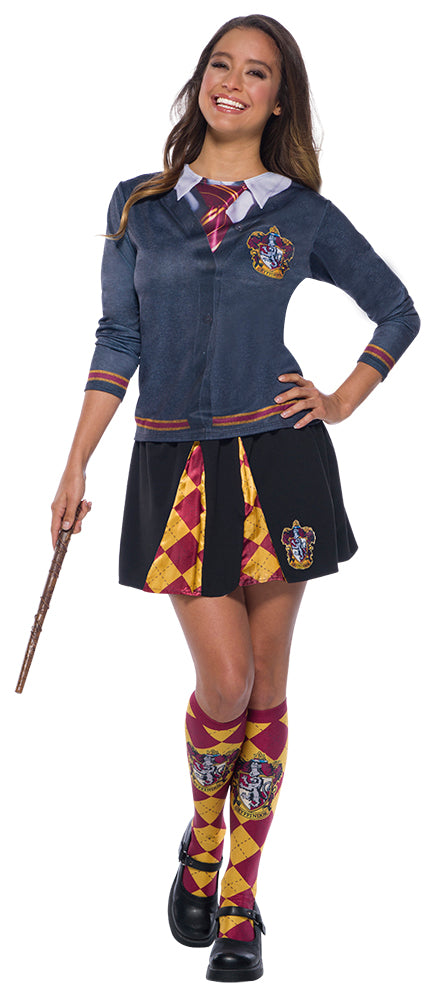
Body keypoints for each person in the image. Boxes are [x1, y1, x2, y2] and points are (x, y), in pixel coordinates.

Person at [50, 14, 420, 984]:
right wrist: (76, 463)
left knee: (268, 684)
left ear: (278, 99)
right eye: (222, 64)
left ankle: (239, 898)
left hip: (280, 464)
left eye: (257, 73)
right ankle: (201, 841)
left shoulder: (302, 215)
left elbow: (397, 309)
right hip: (174, 466)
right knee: (225, 684)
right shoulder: (139, 206)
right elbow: (118, 338)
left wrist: (340, 398)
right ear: (200, 78)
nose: (234, 82)